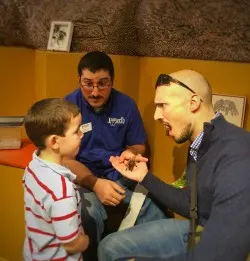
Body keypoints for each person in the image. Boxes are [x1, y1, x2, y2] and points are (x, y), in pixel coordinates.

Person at [98, 69, 250, 261]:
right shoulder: (200, 142)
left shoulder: (237, 155)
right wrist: (144, 177)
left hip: (216, 244)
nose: (156, 116)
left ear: (193, 103)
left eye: (163, 105)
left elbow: (224, 253)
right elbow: (190, 204)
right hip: (200, 230)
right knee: (109, 248)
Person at [64, 51, 166, 260]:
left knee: (156, 211)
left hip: (120, 175)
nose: (94, 92)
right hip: (83, 179)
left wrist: (131, 153)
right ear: (79, 81)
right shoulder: (68, 106)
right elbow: (64, 160)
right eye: (88, 83)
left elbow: (139, 145)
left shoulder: (126, 105)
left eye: (102, 83)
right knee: (88, 216)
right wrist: (95, 184)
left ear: (112, 81)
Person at [23, 98, 89, 260]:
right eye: (76, 131)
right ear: (54, 141)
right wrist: (85, 241)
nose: (81, 134)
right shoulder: (61, 190)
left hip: (34, 254)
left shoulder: (34, 164)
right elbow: (71, 244)